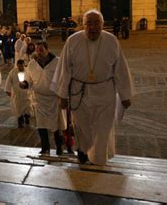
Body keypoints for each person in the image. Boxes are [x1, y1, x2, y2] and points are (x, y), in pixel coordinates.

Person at [52, 9, 133, 165]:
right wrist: (62, 96)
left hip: (105, 93)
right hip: (79, 92)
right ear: (83, 25)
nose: (93, 27)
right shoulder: (72, 41)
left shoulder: (112, 41)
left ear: (102, 25)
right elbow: (64, 69)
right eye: (89, 23)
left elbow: (121, 69)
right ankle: (83, 153)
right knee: (82, 128)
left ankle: (99, 160)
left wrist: (125, 95)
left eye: (97, 23)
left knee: (103, 130)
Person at [27, 41, 66, 155]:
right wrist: (24, 84)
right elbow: (28, 79)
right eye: (37, 50)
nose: (39, 52)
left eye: (41, 50)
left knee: (56, 126)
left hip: (54, 99)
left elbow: (63, 79)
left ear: (47, 50)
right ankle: (45, 148)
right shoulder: (32, 64)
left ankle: (59, 147)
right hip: (39, 99)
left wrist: (63, 96)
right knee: (41, 124)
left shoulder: (58, 62)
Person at [5, 59, 32, 128]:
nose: (21, 68)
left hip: (26, 93)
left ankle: (27, 117)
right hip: (17, 94)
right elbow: (9, 81)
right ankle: (20, 121)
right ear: (17, 66)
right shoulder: (13, 72)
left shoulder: (28, 71)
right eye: (19, 66)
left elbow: (31, 80)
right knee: (18, 108)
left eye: (22, 66)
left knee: (28, 107)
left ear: (24, 65)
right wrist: (8, 90)